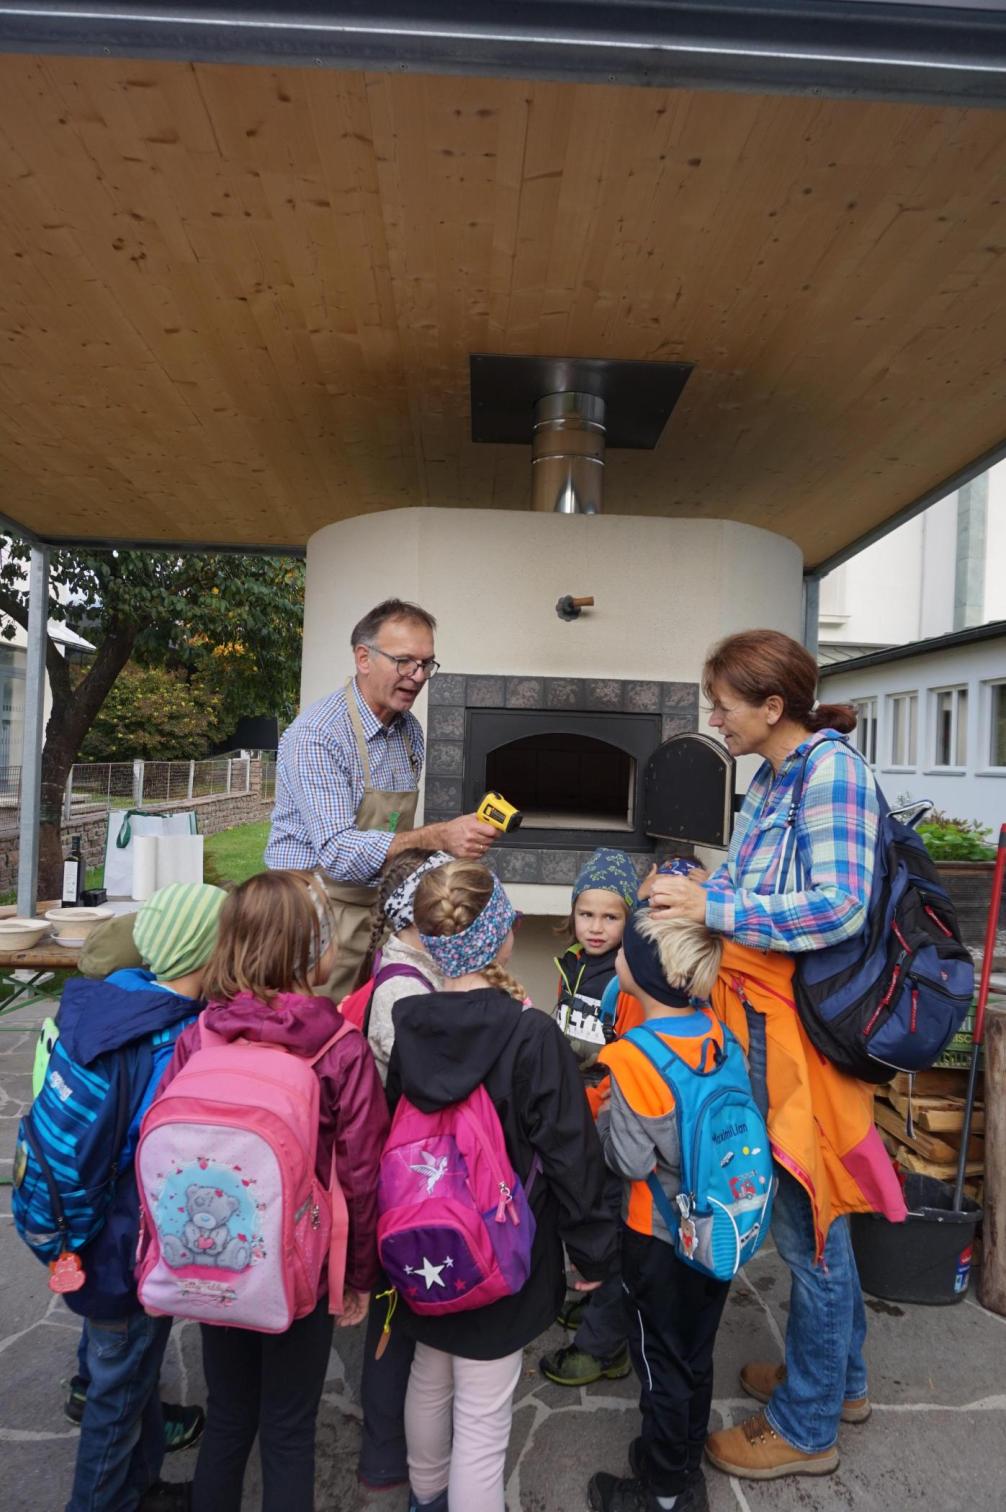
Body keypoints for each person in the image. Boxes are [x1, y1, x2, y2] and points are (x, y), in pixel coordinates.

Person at [648, 628, 906, 1481]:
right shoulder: (776, 774)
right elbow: (762, 892)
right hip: (772, 1022)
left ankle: (805, 1427)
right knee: (813, 1213)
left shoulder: (830, 775)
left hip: (803, 1039)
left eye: (722, 701)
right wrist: (698, 895)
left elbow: (838, 907)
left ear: (770, 706)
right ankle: (839, 1380)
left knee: (810, 1226)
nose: (712, 714)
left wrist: (713, 913)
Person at [387, 860, 619, 1512]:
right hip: (504, 1247)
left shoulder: (410, 1024)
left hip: (425, 1241)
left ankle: (424, 1499)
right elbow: (571, 1153)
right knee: (484, 1415)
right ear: (500, 936)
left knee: (428, 1376)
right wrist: (595, 1252)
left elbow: (392, 1132)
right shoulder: (530, 1034)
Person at [156, 871, 389, 1512]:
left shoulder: (200, 1035)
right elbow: (362, 1173)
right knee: (288, 1429)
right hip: (303, 1272)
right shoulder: (339, 1048)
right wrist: (359, 1276)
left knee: (228, 1417)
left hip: (216, 1259)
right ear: (311, 952)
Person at [60, 882, 228, 1512]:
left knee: (134, 1373)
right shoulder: (172, 1044)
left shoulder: (117, 1000)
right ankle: (100, 1501)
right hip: (122, 1247)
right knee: (117, 1392)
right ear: (210, 955)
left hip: (90, 1232)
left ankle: (143, 1483)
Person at [265, 598, 497, 997]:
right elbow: (337, 851)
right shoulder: (318, 736)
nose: (418, 675)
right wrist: (439, 837)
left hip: (377, 912)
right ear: (363, 658)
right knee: (313, 1037)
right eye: (405, 661)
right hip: (309, 914)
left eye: (426, 664)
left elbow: (391, 834)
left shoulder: (409, 732)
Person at [587, 909, 732, 1512]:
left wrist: (599, 1116)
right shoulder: (714, 1027)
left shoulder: (633, 1058)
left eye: (624, 948)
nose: (613, 951)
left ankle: (666, 1494)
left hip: (658, 1236)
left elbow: (627, 1160)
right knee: (695, 1353)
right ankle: (683, 1460)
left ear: (642, 973)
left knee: (661, 1361)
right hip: (715, 1231)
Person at [355, 848, 449, 1494]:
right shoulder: (399, 988)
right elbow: (426, 1083)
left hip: (417, 1172)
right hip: (403, 1177)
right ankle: (383, 1450)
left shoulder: (424, 966)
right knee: (393, 1318)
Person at [541, 847, 642, 1389]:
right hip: (573, 1115)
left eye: (610, 916)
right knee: (581, 1214)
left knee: (608, 1219)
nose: (596, 927)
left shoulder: (624, 978)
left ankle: (607, 1344)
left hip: (608, 1120)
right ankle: (594, 1297)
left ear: (629, 919)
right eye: (587, 914)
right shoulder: (570, 964)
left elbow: (626, 1056)